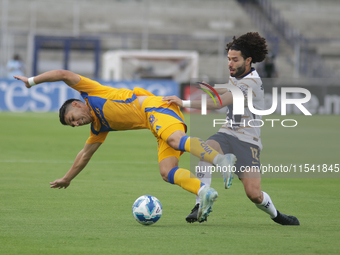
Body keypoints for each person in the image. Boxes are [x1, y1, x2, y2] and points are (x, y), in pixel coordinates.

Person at [14, 69, 236, 223]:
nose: (76, 123)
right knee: (166, 171)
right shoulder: (99, 127)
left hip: (155, 108)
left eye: (73, 118)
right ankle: (204, 191)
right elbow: (84, 155)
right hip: (154, 125)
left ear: (76, 104)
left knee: (173, 140)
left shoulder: (91, 93)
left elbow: (63, 75)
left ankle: (221, 160)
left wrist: (32, 81)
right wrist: (67, 178)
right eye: (72, 125)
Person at [163, 32, 300, 225]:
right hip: (227, 133)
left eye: (235, 59)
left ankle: (277, 215)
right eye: (228, 59)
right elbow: (226, 87)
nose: (230, 63)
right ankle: (200, 203)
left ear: (248, 60)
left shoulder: (251, 83)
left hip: (247, 141)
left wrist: (183, 101)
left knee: (254, 194)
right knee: (206, 150)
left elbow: (219, 102)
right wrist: (207, 87)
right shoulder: (238, 76)